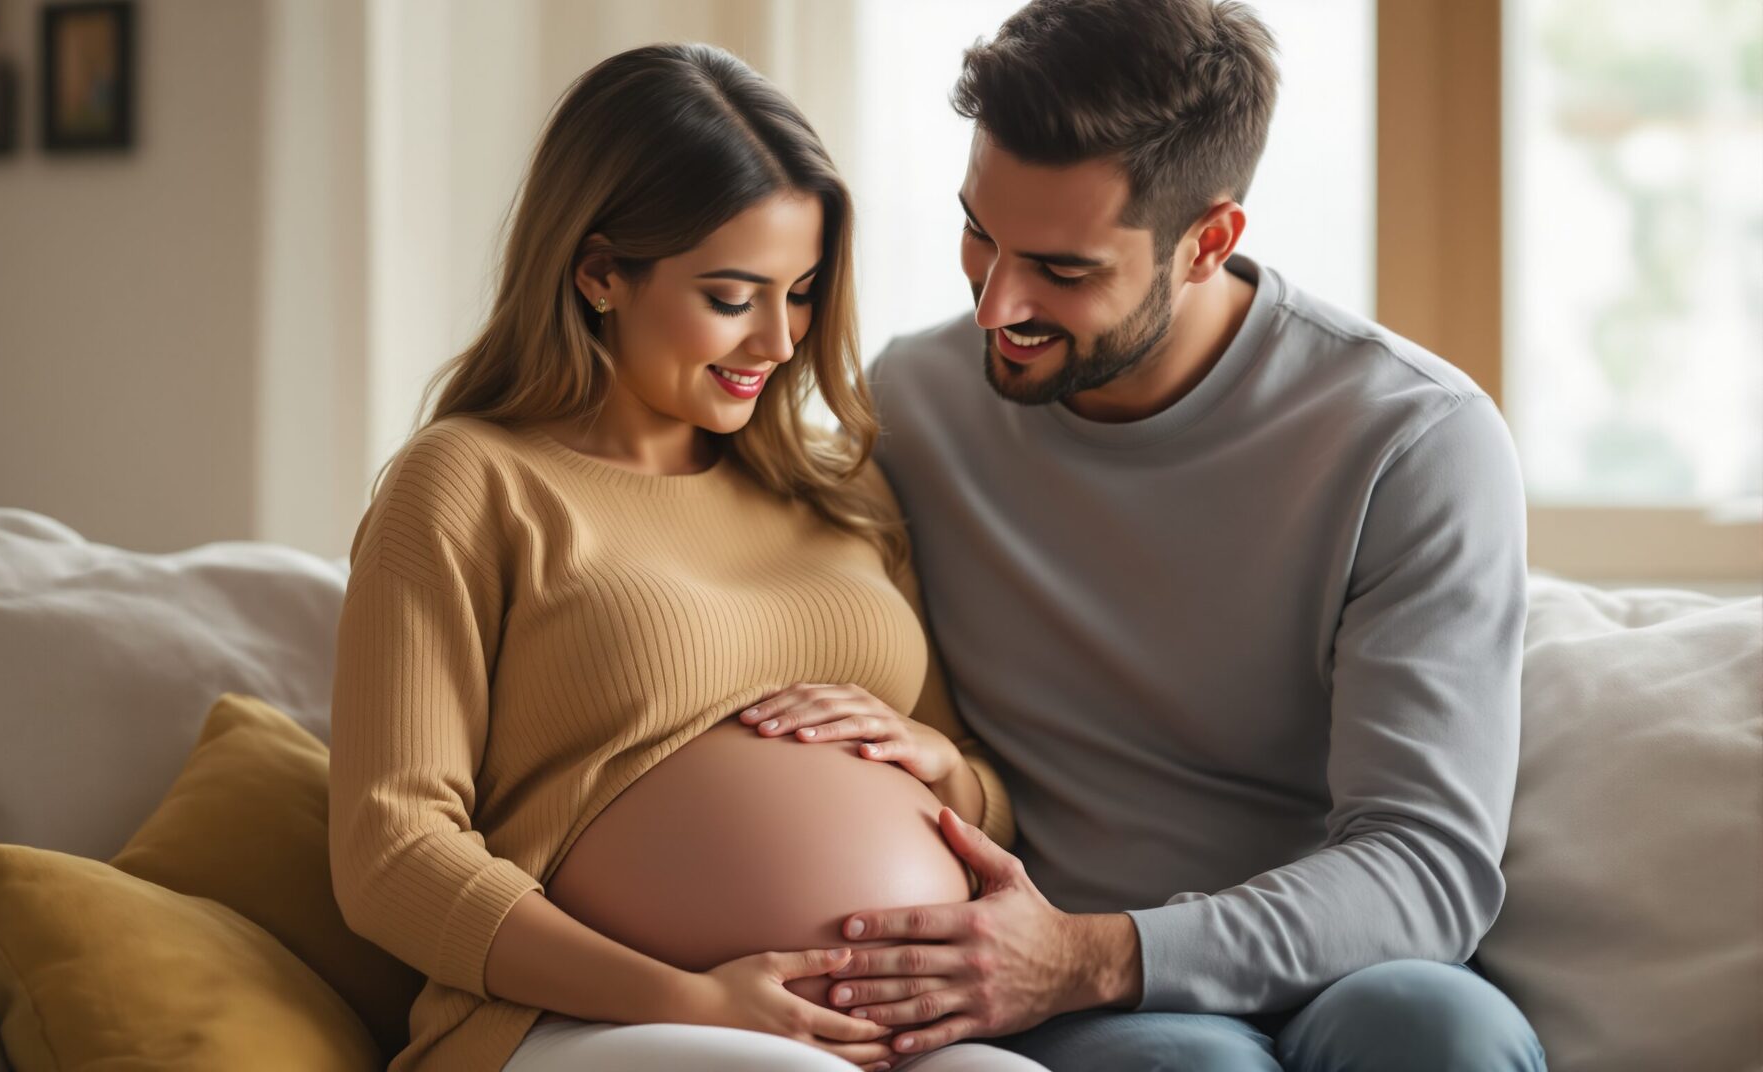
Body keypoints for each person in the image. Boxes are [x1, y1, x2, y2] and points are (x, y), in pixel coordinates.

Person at [819, 2, 1549, 1069]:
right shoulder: (914, 402)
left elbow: (1425, 868)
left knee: (1438, 1032)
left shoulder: (1411, 439)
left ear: (1207, 243)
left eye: (1063, 270)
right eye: (979, 233)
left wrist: (1091, 955)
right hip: (1094, 1001)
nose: (995, 306)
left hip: (1338, 964)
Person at [327, 42, 1046, 1072]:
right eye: (732, 297)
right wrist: (694, 998)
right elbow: (391, 850)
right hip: (585, 1022)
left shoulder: (838, 487)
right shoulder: (468, 482)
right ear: (599, 273)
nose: (778, 343)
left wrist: (947, 775)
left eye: (802, 292)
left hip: (893, 1032)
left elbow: (981, 785)